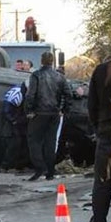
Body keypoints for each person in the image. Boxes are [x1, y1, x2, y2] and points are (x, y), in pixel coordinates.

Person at [86, 33, 111, 222]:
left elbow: (91, 106)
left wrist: (98, 128)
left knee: (103, 181)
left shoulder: (100, 72)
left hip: (107, 132)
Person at [24, 51, 72, 181]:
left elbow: (31, 95)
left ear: (41, 61)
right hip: (54, 113)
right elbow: (68, 94)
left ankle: (40, 167)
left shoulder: (36, 75)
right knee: (50, 142)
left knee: (34, 140)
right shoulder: (59, 77)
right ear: (52, 61)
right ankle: (50, 171)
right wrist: (63, 110)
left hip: (39, 113)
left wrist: (29, 110)